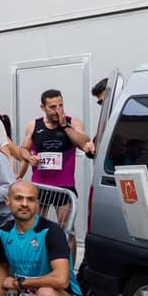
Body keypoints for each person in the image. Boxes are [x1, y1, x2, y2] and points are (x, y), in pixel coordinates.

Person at [21, 89, 95, 224]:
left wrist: (65, 126)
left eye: (61, 105)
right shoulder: (34, 125)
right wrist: (29, 157)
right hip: (40, 186)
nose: (58, 110)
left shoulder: (73, 122)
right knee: (35, 226)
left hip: (64, 187)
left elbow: (84, 143)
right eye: (53, 107)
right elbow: (24, 149)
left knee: (65, 229)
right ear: (43, 107)